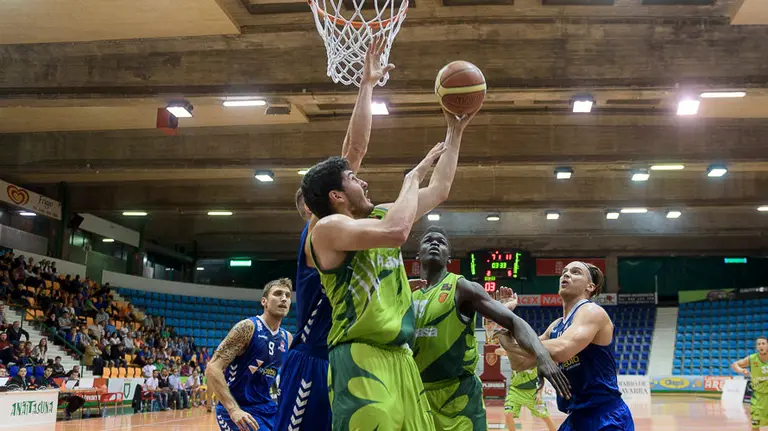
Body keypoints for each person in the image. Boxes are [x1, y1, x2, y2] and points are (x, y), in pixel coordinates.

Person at [301, 93, 476, 429]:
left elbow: (440, 189)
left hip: (401, 358)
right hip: (360, 355)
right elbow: (397, 231)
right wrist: (412, 178)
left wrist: (455, 131)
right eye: (353, 179)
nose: (363, 180)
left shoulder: (379, 216)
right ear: (336, 196)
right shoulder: (328, 228)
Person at [275, 34, 392, 431]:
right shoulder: (320, 228)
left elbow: (354, 151)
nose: (355, 180)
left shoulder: (346, 228)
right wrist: (365, 86)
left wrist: (368, 86)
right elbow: (352, 150)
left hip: (348, 357)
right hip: (314, 358)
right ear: (315, 207)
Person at [410, 226, 569, 430]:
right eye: (428, 240)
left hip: (459, 399)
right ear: (417, 255)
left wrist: (542, 355)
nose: (434, 243)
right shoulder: (406, 293)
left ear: (449, 257)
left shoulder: (463, 288)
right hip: (417, 394)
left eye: (441, 242)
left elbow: (514, 322)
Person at [497, 261, 634, 431]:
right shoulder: (556, 327)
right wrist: (504, 318)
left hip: (605, 416)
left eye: (576, 272)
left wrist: (514, 340)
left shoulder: (591, 311)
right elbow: (520, 363)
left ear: (590, 286)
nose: (566, 274)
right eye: (564, 272)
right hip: (576, 417)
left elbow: (562, 349)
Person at [205, 279, 292, 431]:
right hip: (239, 408)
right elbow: (213, 367)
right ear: (264, 301)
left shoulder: (287, 338)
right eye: (278, 294)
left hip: (268, 408)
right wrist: (233, 410)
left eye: (287, 295)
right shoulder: (248, 327)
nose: (284, 298)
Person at [495, 350, 557, 431]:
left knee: (545, 417)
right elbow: (496, 351)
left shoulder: (535, 359)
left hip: (532, 394)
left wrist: (539, 393)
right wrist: (508, 351)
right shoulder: (514, 356)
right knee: (508, 413)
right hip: (515, 391)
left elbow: (542, 379)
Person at [731, 336, 768, 431]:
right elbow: (735, 364)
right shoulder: (752, 359)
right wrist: (742, 370)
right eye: (759, 344)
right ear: (756, 347)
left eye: (763, 343)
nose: (761, 346)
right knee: (755, 424)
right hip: (757, 397)